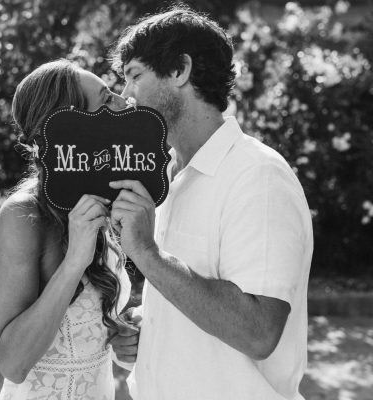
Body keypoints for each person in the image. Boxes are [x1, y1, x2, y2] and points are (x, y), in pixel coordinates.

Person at [107, 7, 313, 400]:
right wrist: (148, 330)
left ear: (179, 70)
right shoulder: (168, 175)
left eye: (134, 75)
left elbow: (257, 331)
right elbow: (191, 292)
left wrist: (147, 252)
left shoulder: (258, 175)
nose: (127, 95)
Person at [0, 59, 138, 400]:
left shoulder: (99, 199)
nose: (122, 102)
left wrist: (119, 334)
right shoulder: (23, 217)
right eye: (105, 100)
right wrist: (74, 262)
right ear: (69, 130)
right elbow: (12, 363)